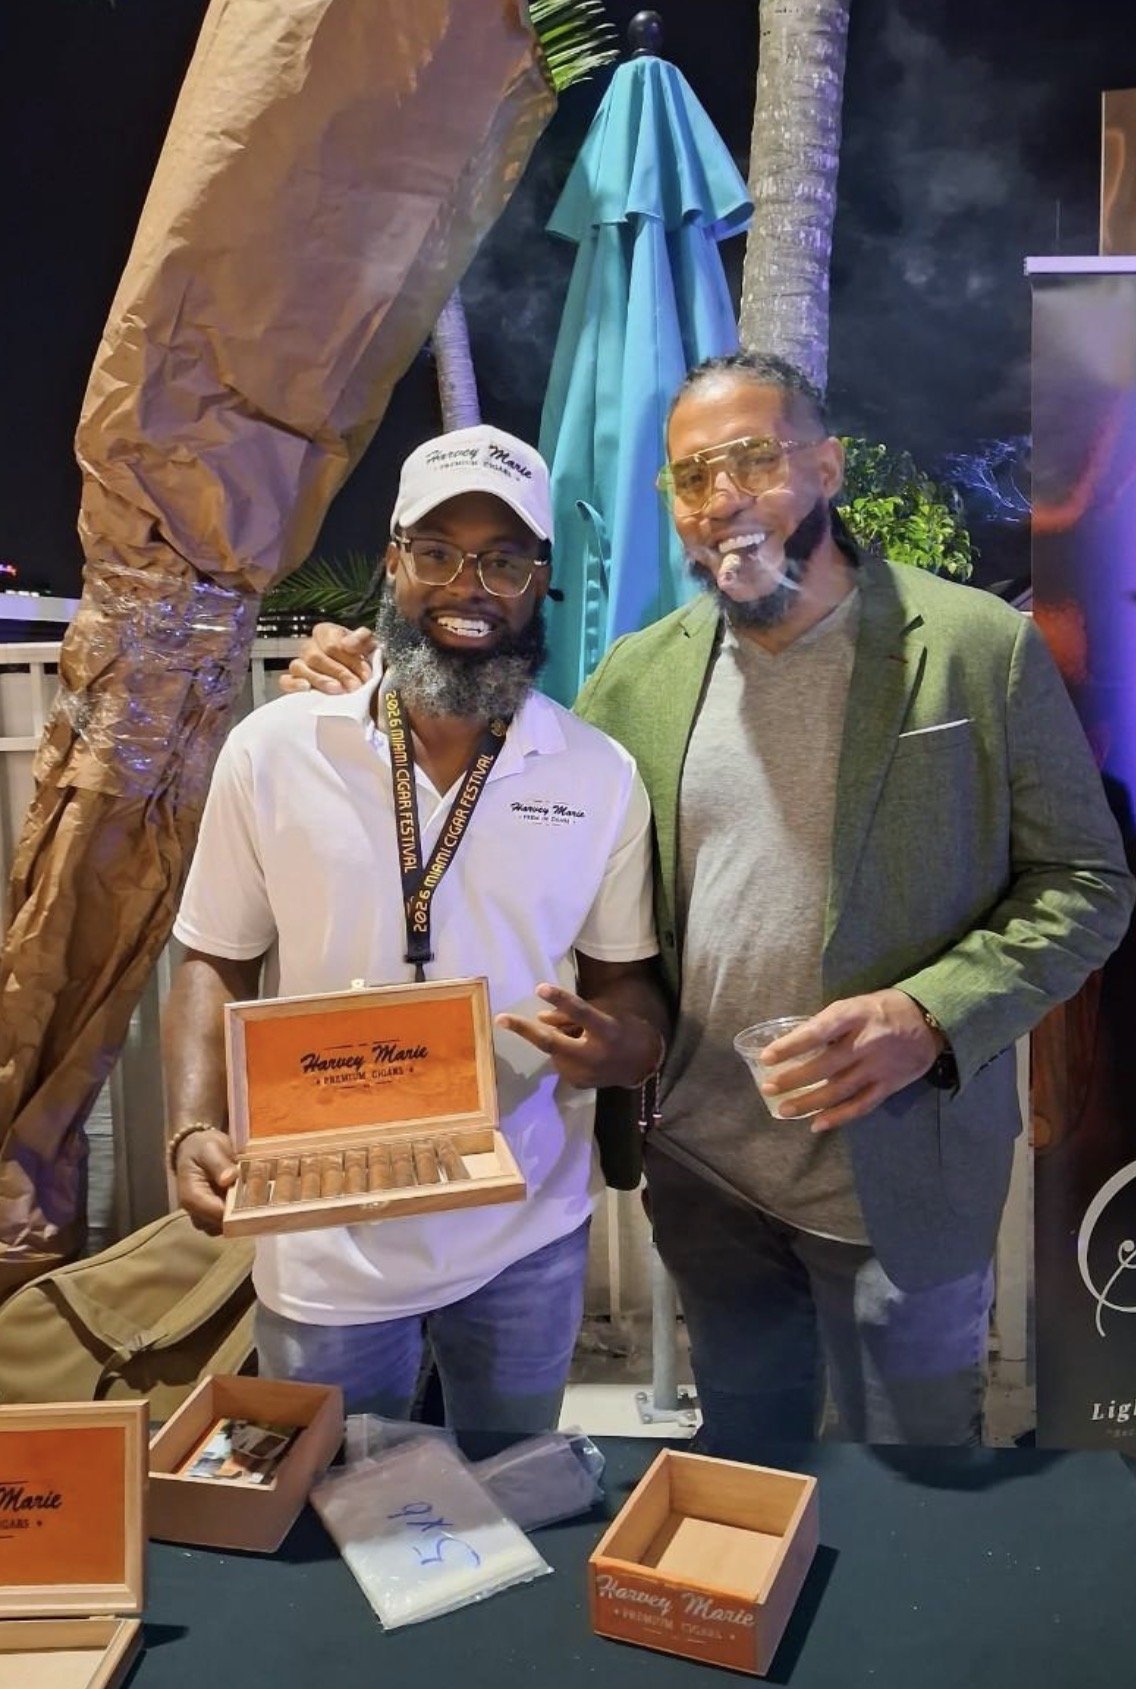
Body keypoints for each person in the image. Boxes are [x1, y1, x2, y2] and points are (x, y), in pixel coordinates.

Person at [284, 355, 1135, 1453]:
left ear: (824, 467)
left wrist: (927, 1016)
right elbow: (509, 782)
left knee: (914, 1482)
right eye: (690, 476)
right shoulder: (637, 674)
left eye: (752, 458)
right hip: (705, 1176)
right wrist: (363, 684)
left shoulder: (976, 646)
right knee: (746, 1476)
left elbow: (1085, 881)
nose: (721, 495)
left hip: (898, 1177)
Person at [164, 424, 668, 1456]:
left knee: (508, 1491)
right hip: (321, 1239)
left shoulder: (596, 774)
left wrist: (625, 1047)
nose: (466, 586)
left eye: (503, 558)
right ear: (393, 564)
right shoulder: (275, 749)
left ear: (538, 582)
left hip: (523, 1229)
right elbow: (213, 954)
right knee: (340, 1516)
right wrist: (188, 1125)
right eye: (435, 552)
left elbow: (627, 987)